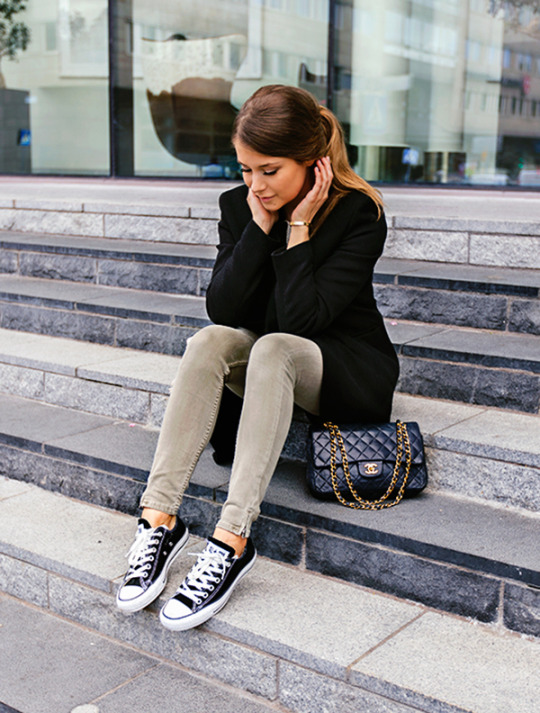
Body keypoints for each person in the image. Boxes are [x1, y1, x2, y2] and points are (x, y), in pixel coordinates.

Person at [116, 84, 399, 631]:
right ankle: (158, 520)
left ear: (312, 164)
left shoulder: (358, 213)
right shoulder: (240, 206)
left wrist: (296, 228)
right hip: (271, 357)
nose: (255, 184)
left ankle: (232, 538)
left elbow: (303, 322)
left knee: (273, 346)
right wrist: (259, 225)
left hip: (342, 365)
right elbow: (222, 308)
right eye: (246, 169)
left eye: (269, 171)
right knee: (209, 342)